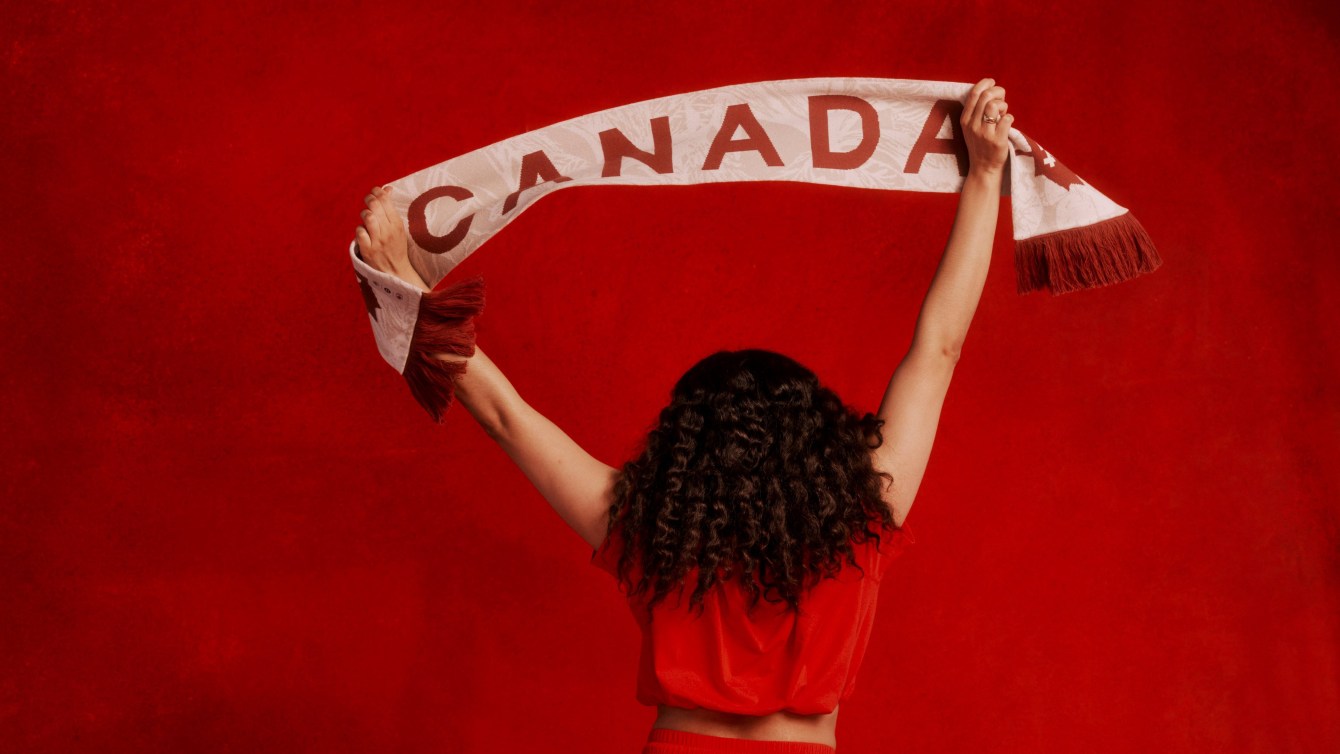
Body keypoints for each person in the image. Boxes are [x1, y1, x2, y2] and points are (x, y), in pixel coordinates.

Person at [355, 77, 1012, 753]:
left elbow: (504, 416)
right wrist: (985, 175)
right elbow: (939, 348)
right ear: (818, 440)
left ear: (684, 447)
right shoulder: (863, 517)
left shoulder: (647, 525)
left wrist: (407, 284)